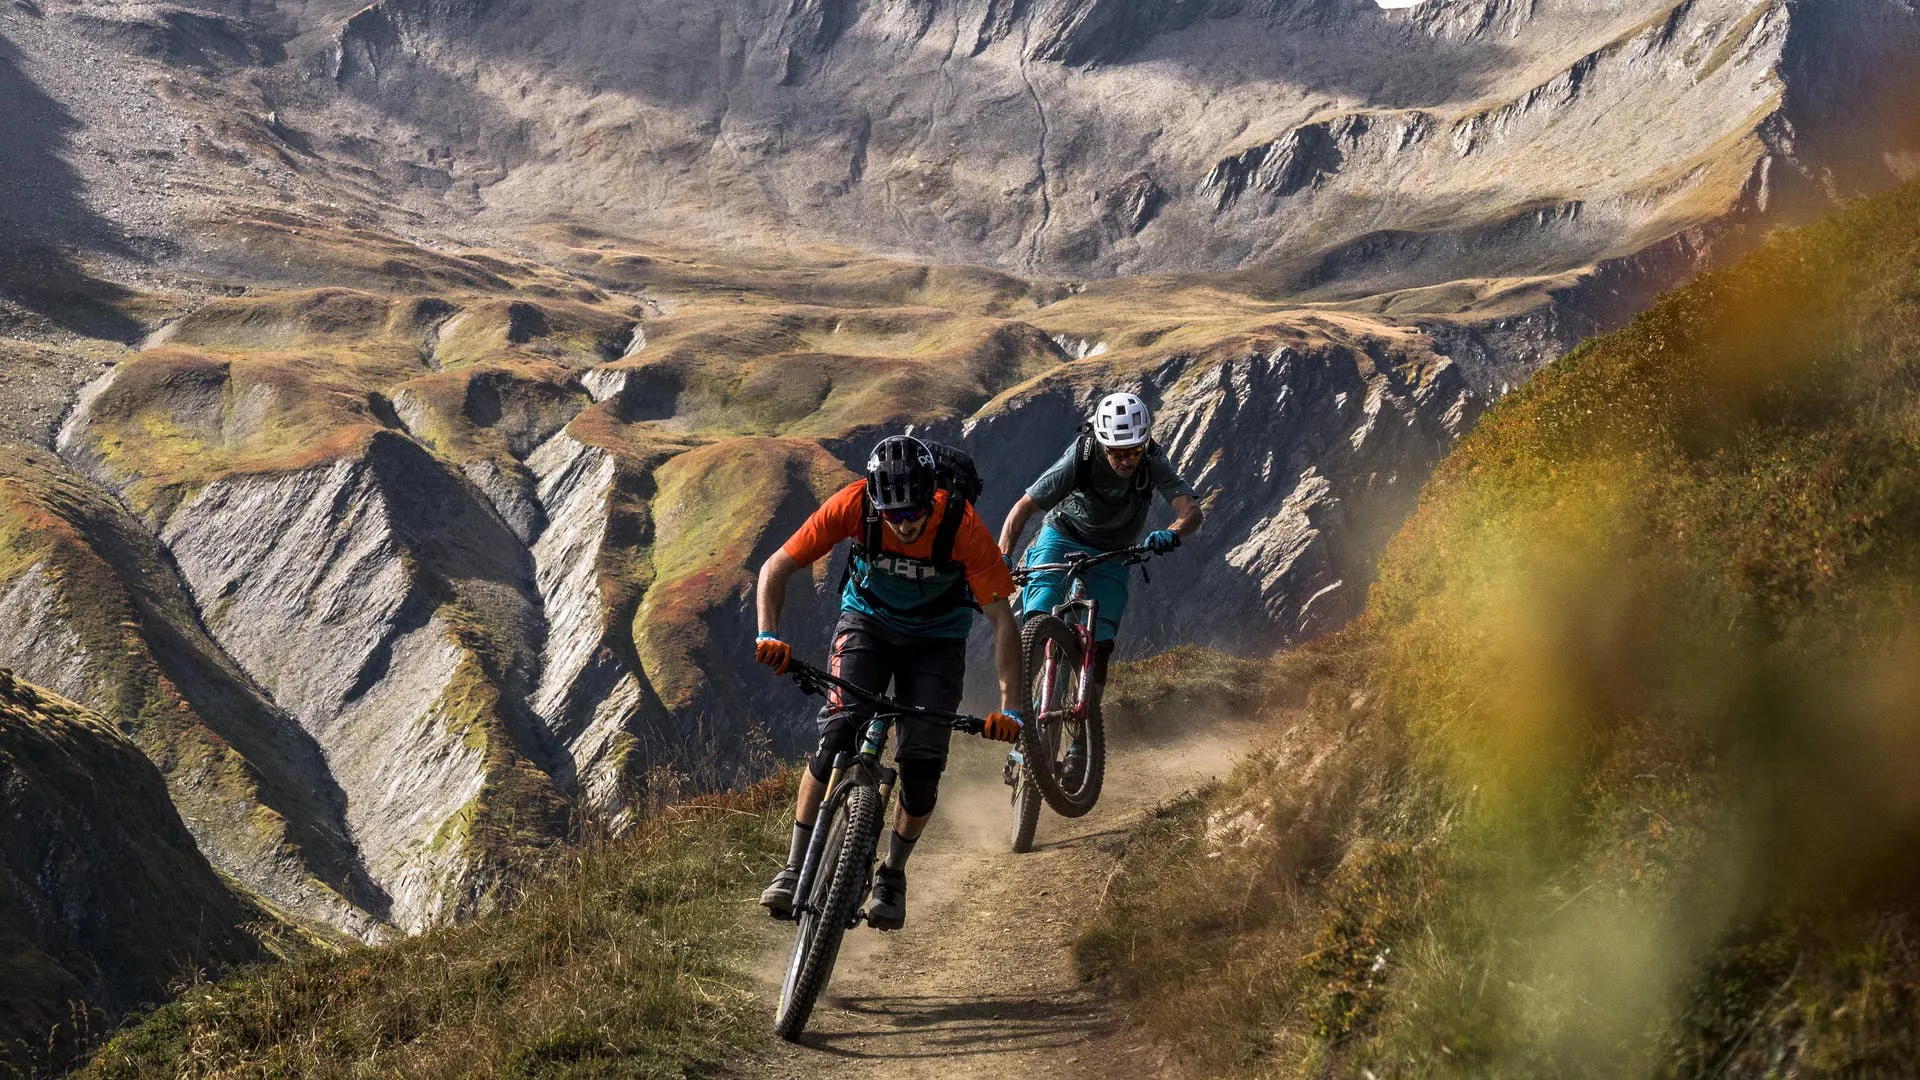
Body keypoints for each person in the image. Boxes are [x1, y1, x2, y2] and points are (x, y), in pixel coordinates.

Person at [753, 434, 1025, 930]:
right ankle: (793, 868)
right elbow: (776, 567)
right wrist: (768, 634)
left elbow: (1002, 620)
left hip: (937, 641)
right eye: (893, 514)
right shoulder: (854, 503)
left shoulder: (961, 524)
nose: (904, 524)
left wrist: (1010, 708)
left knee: (921, 771)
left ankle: (892, 875)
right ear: (876, 503)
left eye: (914, 512)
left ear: (931, 497)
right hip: (867, 625)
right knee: (836, 737)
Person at [997, 392, 1204, 781]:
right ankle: (1022, 720)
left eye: (1133, 451)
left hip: (1114, 551)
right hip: (1062, 536)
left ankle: (1080, 745)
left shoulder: (1152, 461)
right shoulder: (1082, 454)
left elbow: (1190, 510)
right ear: (1102, 443)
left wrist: (1173, 533)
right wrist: (1004, 556)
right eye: (1116, 453)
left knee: (1100, 647)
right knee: (1038, 617)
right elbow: (1023, 507)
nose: (1126, 461)